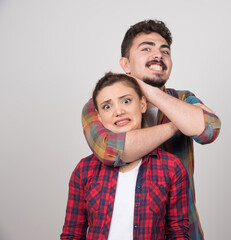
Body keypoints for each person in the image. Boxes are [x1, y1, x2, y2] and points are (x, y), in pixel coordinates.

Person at [82, 20, 221, 240]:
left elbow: (209, 131)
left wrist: (150, 91)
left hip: (183, 232)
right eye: (146, 48)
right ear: (125, 64)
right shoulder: (102, 104)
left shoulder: (183, 98)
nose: (158, 55)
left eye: (164, 51)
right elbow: (111, 150)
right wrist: (179, 123)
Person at [61, 73, 189, 240]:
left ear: (143, 104)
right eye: (107, 106)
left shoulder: (171, 168)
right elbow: (72, 234)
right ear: (99, 117)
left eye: (126, 101)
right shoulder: (84, 170)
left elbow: (177, 233)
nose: (119, 111)